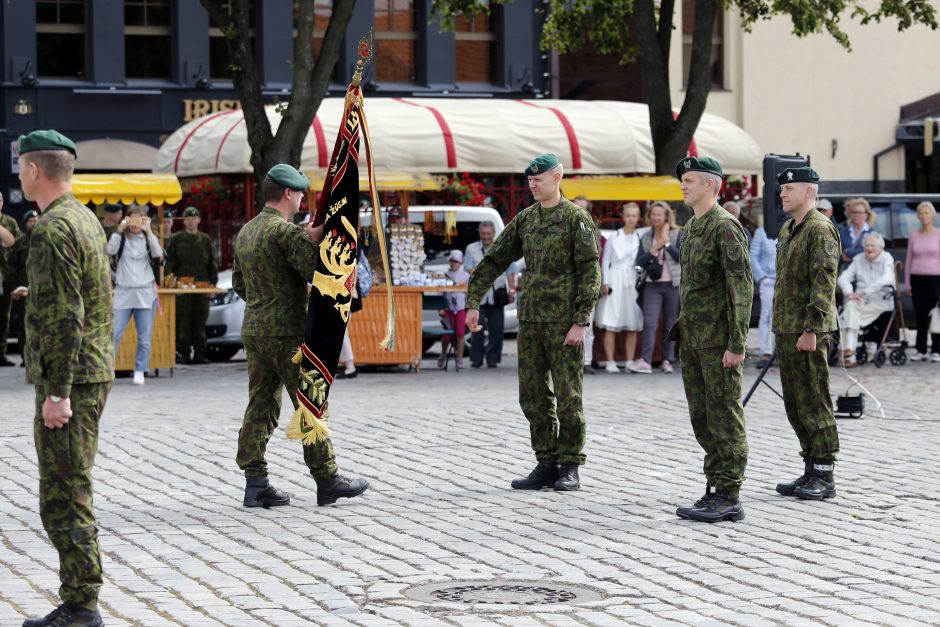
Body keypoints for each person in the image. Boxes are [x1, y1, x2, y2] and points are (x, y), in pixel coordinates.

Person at [17, 129, 113, 627]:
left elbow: (66, 317)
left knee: (63, 492)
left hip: (71, 378)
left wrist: (57, 393)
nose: (19, 173)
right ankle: (81, 598)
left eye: (20, 165)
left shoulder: (52, 229)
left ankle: (81, 604)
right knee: (70, 485)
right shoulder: (84, 219)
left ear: (33, 170)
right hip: (91, 369)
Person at [233, 163, 368, 508]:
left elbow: (238, 284)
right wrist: (327, 241)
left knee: (260, 405)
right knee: (309, 404)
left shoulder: (247, 231)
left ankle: (255, 480)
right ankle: (327, 478)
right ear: (288, 194)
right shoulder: (286, 233)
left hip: (255, 330)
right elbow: (317, 272)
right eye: (301, 193)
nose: (302, 199)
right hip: (288, 335)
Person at [466, 153, 600, 492]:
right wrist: (472, 302)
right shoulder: (526, 220)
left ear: (557, 177)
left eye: (537, 179)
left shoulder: (576, 219)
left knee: (569, 397)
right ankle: (546, 461)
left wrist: (581, 320)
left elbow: (590, 273)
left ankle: (570, 463)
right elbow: (494, 258)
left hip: (564, 324)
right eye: (529, 180)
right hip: (532, 322)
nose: (532, 185)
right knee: (533, 396)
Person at [669, 157, 753, 523]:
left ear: (711, 185)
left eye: (690, 180)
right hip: (694, 337)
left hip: (719, 340)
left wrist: (737, 342)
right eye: (682, 180)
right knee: (702, 417)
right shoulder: (691, 228)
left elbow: (741, 287)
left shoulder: (725, 227)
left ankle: (730, 493)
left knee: (725, 416)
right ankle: (714, 484)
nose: (683, 186)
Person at [773, 166, 841, 501]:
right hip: (787, 328)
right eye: (782, 189)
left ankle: (825, 473)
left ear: (809, 192)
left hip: (808, 330)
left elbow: (823, 283)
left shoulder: (819, 229)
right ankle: (810, 466)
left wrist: (812, 328)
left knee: (814, 399)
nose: (783, 194)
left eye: (790, 188)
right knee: (795, 402)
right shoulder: (789, 229)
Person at [107, 204, 163, 385]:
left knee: (144, 336)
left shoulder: (148, 239)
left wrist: (148, 231)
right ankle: (107, 369)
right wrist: (119, 230)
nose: (135, 224)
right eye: (132, 219)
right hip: (123, 291)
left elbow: (158, 253)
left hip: (145, 292)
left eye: (139, 220)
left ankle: (140, 369)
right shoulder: (121, 238)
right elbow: (109, 251)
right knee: (114, 334)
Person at [164, 206, 218, 365]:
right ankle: (183, 353)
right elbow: (170, 264)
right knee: (183, 322)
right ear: (184, 221)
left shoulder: (205, 240)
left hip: (201, 287)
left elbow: (212, 264)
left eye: (194, 218)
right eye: (188, 219)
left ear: (199, 220)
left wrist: (212, 286)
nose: (191, 222)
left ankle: (200, 353)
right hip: (182, 287)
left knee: (200, 321)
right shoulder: (176, 239)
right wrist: (172, 285)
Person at [632, 201, 681, 374]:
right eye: (653, 214)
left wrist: (666, 244)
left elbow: (681, 257)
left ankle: (667, 361)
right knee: (650, 322)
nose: (655, 218)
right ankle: (645, 361)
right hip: (652, 286)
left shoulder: (676, 234)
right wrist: (654, 249)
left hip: (672, 285)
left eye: (659, 214)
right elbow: (639, 262)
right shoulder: (646, 237)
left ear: (666, 216)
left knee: (670, 324)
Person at [594, 202, 643, 373]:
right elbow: (605, 260)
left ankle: (629, 360)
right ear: (623, 217)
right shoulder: (614, 236)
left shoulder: (640, 236)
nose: (631, 219)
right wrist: (605, 282)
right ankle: (610, 361)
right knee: (611, 321)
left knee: (632, 322)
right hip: (615, 278)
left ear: (638, 218)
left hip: (632, 280)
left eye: (634, 216)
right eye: (628, 215)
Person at [838, 232, 895, 367]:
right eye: (867, 245)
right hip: (860, 302)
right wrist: (849, 293)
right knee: (851, 306)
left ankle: (848, 354)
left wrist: (863, 293)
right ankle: (850, 351)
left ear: (881, 248)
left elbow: (887, 278)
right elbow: (843, 278)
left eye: (873, 246)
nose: (869, 248)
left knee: (847, 316)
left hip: (881, 302)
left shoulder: (887, 258)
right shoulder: (858, 259)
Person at [464, 220, 512, 368]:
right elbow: (468, 268)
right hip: (478, 295)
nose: (486, 237)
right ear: (480, 234)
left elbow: (510, 270)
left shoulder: (501, 248)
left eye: (489, 234)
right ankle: (476, 358)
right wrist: (485, 275)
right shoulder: (471, 249)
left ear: (493, 234)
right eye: (483, 234)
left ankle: (493, 359)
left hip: (497, 294)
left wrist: (512, 290)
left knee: (497, 328)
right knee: (478, 325)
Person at [905, 201, 940, 361]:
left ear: (932, 215)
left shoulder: (938, 234)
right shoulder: (914, 235)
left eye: (926, 213)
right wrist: (907, 282)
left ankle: (936, 350)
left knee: (936, 315)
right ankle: (921, 350)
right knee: (920, 315)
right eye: (921, 213)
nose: (924, 216)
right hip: (917, 278)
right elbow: (909, 259)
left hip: (936, 279)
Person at [573, 195, 602, 374]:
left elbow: (597, 261)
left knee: (587, 325)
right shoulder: (562, 229)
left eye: (585, 209)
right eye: (577, 208)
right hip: (567, 284)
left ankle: (587, 361)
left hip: (588, 284)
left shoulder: (594, 233)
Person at [10, 210, 39, 367]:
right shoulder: (20, 242)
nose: (33, 223)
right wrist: (13, 288)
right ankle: (25, 357)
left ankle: (37, 358)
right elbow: (12, 266)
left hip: (40, 288)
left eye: (36, 220)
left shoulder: (44, 239)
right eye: (30, 221)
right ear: (25, 223)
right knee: (24, 323)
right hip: (23, 288)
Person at [0, 190, 23, 367]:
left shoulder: (9, 222)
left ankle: (1, 353)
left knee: (4, 317)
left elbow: (16, 245)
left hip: (6, 277)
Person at [750, 225, 777, 369]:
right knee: (766, 315)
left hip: (786, 281)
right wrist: (761, 277)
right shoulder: (761, 232)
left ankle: (779, 350)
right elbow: (753, 256)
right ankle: (765, 351)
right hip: (768, 280)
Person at [438, 249, 470, 369]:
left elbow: (469, 292)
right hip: (448, 308)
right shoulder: (445, 275)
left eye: (456, 261)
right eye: (452, 261)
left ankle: (459, 357)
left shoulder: (466, 275)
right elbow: (439, 293)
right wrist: (440, 308)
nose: (453, 264)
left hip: (461, 308)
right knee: (446, 335)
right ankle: (443, 354)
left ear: (461, 263)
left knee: (460, 333)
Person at [840, 197, 875, 267]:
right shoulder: (844, 232)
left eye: (859, 212)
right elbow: (836, 253)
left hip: (865, 273)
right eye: (854, 212)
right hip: (847, 274)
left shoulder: (872, 233)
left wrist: (849, 252)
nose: (856, 215)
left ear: (866, 215)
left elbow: (870, 252)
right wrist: (841, 257)